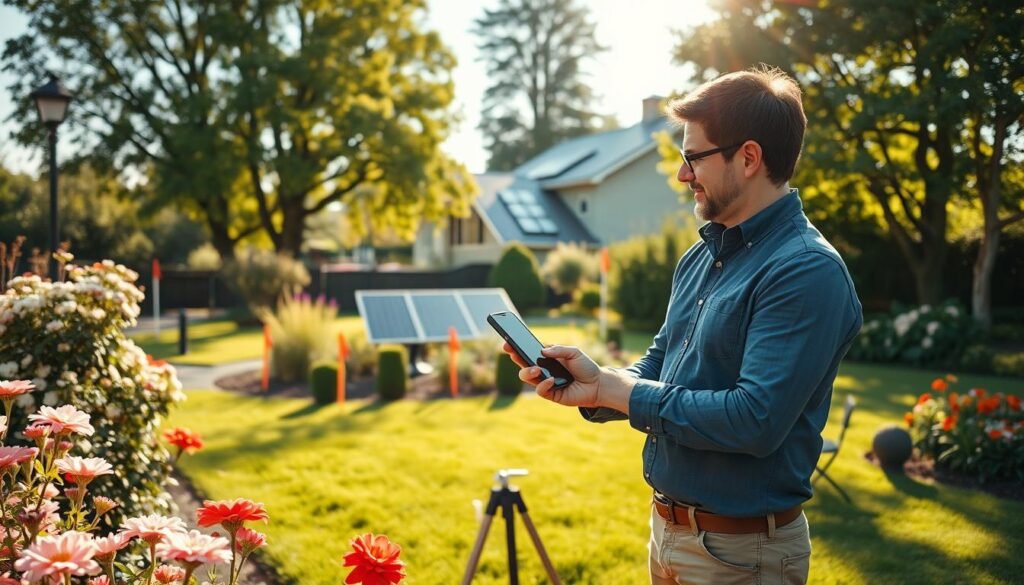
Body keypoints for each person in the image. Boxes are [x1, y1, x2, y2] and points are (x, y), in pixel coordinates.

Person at [503, 65, 863, 585]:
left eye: (693, 158)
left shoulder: (805, 270)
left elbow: (754, 419)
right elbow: (662, 363)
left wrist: (618, 390)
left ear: (748, 158)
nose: (682, 175)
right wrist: (597, 386)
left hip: (743, 555)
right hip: (668, 533)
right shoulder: (701, 257)